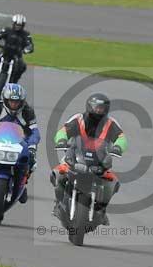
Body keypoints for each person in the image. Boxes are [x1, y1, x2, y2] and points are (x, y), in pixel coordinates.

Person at [51, 93, 128, 225]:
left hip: (100, 162)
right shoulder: (78, 119)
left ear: (106, 109)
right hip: (75, 157)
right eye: (96, 107)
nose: (98, 111)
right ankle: (58, 204)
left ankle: (101, 211)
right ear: (89, 106)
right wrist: (62, 140)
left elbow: (121, 138)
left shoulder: (111, 124)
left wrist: (117, 148)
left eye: (101, 108)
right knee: (58, 173)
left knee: (113, 182)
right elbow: (63, 131)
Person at [0, 14, 34, 84]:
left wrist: (27, 49)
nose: (18, 27)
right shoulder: (7, 30)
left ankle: (14, 81)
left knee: (22, 67)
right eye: (16, 25)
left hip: (17, 55)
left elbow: (30, 45)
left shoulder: (26, 34)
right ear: (13, 24)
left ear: (23, 25)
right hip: (4, 51)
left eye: (20, 25)